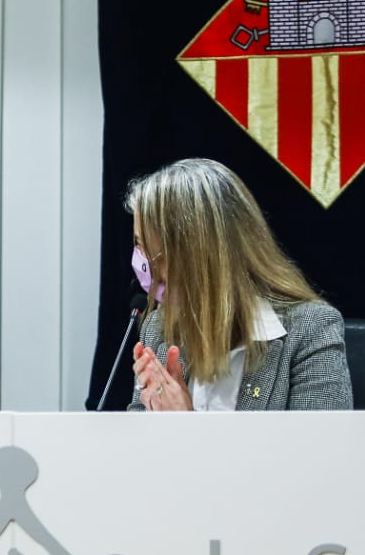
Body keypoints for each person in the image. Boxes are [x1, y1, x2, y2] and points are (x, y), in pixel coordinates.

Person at [125, 157, 352, 412]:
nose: (144, 263)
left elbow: (321, 439)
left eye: (156, 251)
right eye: (138, 243)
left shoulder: (311, 331)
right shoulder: (158, 329)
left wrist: (188, 424)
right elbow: (138, 427)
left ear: (206, 255)